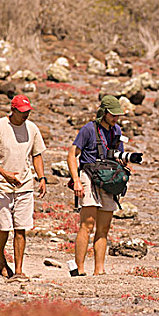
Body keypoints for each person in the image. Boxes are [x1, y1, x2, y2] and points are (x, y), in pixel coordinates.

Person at [0, 94, 47, 282]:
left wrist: (41, 177)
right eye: (22, 112)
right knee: (3, 228)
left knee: (21, 228)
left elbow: (37, 155)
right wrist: (4, 174)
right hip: (2, 185)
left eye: (28, 112)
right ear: (13, 110)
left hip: (25, 184)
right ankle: (1, 258)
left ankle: (18, 270)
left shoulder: (32, 129)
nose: (26, 115)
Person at [67, 95, 125, 276]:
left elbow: (119, 155)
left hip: (108, 178)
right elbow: (71, 154)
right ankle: (80, 269)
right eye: (112, 115)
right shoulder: (88, 130)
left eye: (117, 115)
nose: (115, 118)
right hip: (89, 175)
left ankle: (99, 270)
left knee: (104, 228)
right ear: (104, 113)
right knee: (87, 224)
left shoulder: (117, 131)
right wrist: (76, 179)